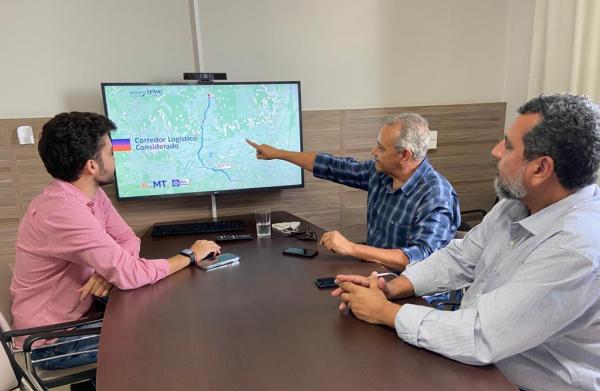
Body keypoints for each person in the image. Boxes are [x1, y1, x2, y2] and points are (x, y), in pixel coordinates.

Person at [332, 94, 600, 391]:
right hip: (485, 365)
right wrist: (394, 287)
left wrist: (385, 312)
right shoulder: (517, 205)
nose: (495, 151)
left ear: (541, 169)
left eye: (507, 145)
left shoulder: (577, 246)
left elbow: (480, 336)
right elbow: (460, 257)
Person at [10, 112, 221, 369]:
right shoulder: (62, 211)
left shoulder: (88, 193)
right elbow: (130, 273)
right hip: (50, 342)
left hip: (81, 315)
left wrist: (111, 272)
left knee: (161, 312)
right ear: (92, 166)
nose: (115, 158)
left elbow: (126, 238)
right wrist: (190, 255)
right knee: (166, 332)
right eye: (111, 152)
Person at [247, 113, 460, 271]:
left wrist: (351, 248)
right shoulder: (380, 173)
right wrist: (278, 154)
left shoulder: (436, 195)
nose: (373, 152)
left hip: (419, 298)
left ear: (405, 155)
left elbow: (422, 257)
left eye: (381, 148)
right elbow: (331, 166)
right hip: (377, 276)